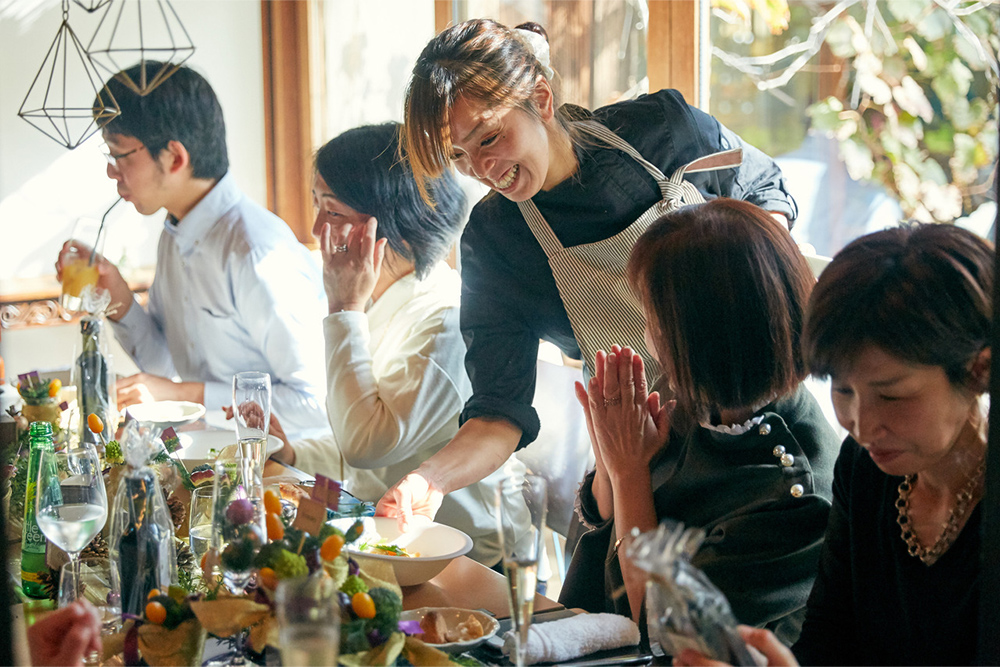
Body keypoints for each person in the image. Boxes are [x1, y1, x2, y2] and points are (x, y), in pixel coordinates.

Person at [377, 18, 799, 527]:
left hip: (760, 418)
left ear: (541, 98)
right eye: (459, 157)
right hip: (639, 459)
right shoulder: (497, 241)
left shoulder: (661, 130)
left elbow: (765, 190)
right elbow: (498, 412)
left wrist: (752, 289)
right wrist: (431, 479)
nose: (481, 169)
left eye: (488, 138)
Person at [674, 223, 993, 666]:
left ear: (980, 369)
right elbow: (828, 640)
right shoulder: (866, 469)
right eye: (843, 391)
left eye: (892, 394)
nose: (861, 425)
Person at [558, 199, 838, 642]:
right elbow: (603, 518)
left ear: (705, 336)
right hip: (592, 636)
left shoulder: (798, 498)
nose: (647, 336)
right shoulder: (698, 389)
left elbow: (664, 628)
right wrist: (611, 458)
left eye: (653, 318)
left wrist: (629, 470)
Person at [266, 122, 530, 565]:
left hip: (470, 561)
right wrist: (294, 452)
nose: (315, 228)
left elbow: (367, 446)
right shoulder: (380, 303)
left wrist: (343, 308)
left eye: (331, 211)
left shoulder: (445, 320)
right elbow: (369, 460)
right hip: (389, 535)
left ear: (391, 223)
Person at [55, 61, 329, 440]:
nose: (111, 171)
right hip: (210, 458)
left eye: (119, 155)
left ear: (174, 158)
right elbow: (165, 366)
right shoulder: (175, 232)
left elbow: (316, 405)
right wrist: (118, 298)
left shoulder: (257, 253)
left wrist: (186, 394)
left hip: (281, 473)